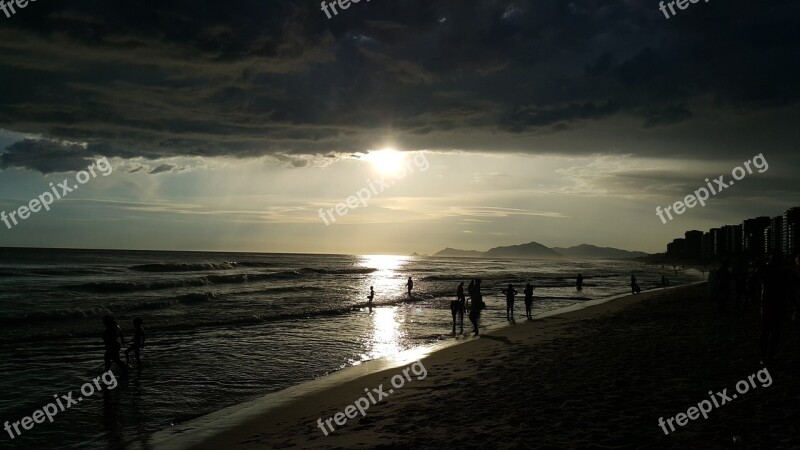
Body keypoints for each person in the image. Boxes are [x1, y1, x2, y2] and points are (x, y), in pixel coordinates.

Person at [757, 255, 790, 364]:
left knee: (765, 331)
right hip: (779, 304)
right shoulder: (784, 273)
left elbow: (751, 280)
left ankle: (763, 356)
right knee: (775, 332)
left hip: (767, 303)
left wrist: (753, 297)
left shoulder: (764, 270)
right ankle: (770, 355)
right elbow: (790, 289)